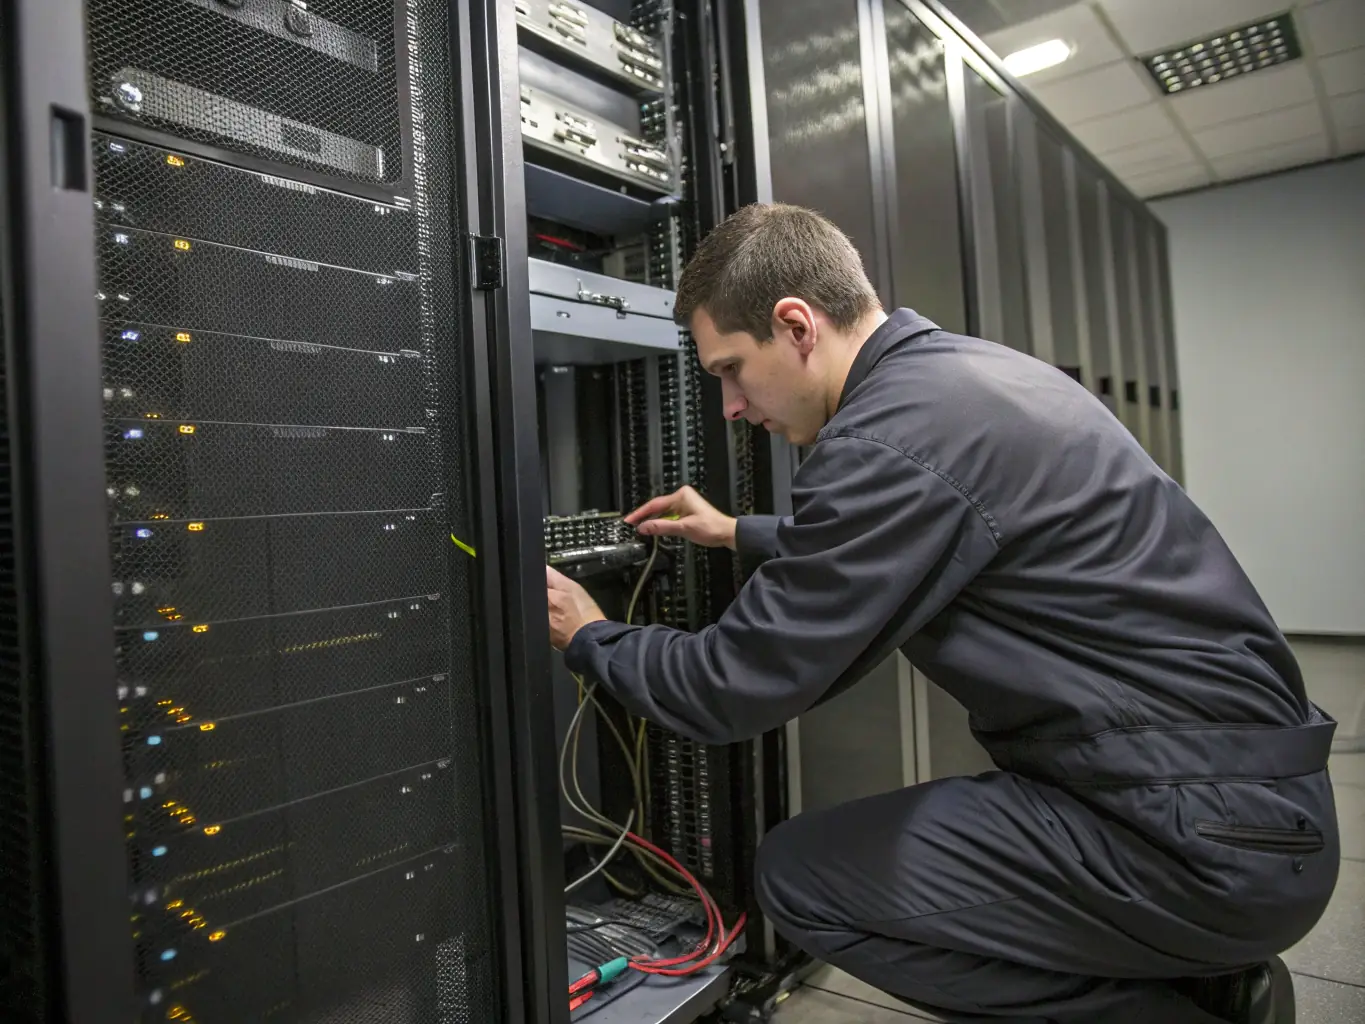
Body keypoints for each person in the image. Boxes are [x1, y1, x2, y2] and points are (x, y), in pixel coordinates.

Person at [543, 203, 1338, 1024]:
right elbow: (931, 528)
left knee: (801, 878)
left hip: (1192, 837)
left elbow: (730, 687)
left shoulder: (883, 441)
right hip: (1243, 809)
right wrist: (736, 530)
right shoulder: (956, 379)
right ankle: (1208, 986)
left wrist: (592, 634)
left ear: (796, 325)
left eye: (730, 370)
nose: (732, 408)